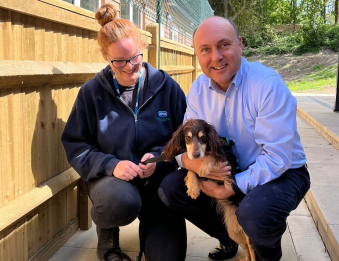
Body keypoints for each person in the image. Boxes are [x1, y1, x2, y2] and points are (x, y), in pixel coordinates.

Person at [159, 16, 310, 261]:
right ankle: (230, 236)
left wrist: (230, 187)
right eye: (205, 49)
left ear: (240, 44)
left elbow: (277, 158)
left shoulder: (267, 84)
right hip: (227, 169)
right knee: (171, 189)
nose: (216, 57)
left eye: (224, 45)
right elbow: (184, 148)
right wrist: (190, 164)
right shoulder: (198, 89)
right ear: (197, 54)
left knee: (254, 213)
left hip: (283, 173)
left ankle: (263, 253)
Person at [61, 4, 187, 261]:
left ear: (143, 49)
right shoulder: (91, 93)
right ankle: (108, 238)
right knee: (119, 202)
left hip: (157, 179)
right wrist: (111, 164)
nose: (129, 67)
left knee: (168, 257)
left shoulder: (167, 87)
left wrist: (158, 157)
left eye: (135, 58)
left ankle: (154, 229)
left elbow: (183, 136)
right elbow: (76, 144)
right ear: (105, 57)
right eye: (119, 61)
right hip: (112, 182)